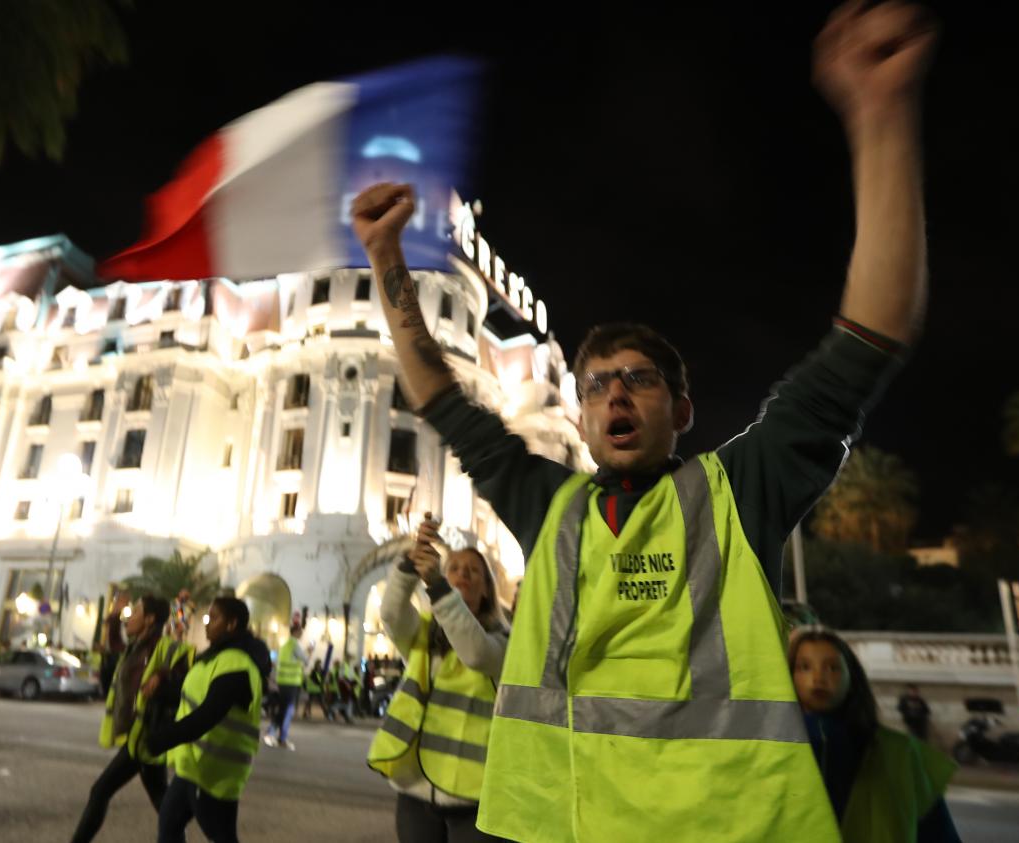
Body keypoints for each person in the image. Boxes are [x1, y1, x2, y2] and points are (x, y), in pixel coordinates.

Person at [349, 2, 936, 837]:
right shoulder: (547, 503)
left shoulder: (737, 493)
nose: (614, 395)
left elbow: (869, 341)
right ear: (581, 419)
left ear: (682, 411)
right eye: (594, 386)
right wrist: (385, 259)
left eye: (639, 380)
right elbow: (441, 395)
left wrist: (882, 117)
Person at [368, 517, 509, 842]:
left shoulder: (503, 639)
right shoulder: (424, 631)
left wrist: (437, 585)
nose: (462, 573)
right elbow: (390, 614)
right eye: (454, 568)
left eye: (472, 570)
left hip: (474, 794)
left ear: (487, 589)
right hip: (416, 787)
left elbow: (474, 652)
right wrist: (411, 562)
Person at [791, 629, 959, 842]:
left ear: (851, 677)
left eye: (832, 668)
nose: (818, 678)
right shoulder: (773, 751)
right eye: (804, 667)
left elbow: (937, 832)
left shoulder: (901, 753)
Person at [70, 594, 193, 843]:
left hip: (145, 734)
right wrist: (114, 615)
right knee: (162, 802)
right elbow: (114, 644)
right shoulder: (136, 647)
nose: (130, 617)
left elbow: (184, 670)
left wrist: (161, 675)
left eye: (135, 612)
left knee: (100, 791)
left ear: (149, 619)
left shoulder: (164, 647)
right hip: (142, 736)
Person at [146, 597, 271, 843]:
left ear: (232, 624)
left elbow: (207, 716)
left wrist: (160, 740)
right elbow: (189, 691)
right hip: (193, 767)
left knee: (222, 837)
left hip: (215, 773)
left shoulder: (238, 665)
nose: (206, 624)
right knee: (169, 826)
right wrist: (160, 691)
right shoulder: (214, 657)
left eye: (214, 619)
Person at [262, 623, 307, 750]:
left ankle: (279, 737)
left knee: (284, 709)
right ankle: (274, 735)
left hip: (282, 682)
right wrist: (308, 652)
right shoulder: (294, 645)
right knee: (287, 711)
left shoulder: (285, 646)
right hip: (291, 682)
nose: (302, 633)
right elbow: (305, 660)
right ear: (296, 632)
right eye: (300, 631)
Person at [100, 593, 129, 698]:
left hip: (115, 651)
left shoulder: (116, 618)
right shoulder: (115, 618)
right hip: (115, 652)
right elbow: (111, 636)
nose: (125, 605)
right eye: (123, 602)